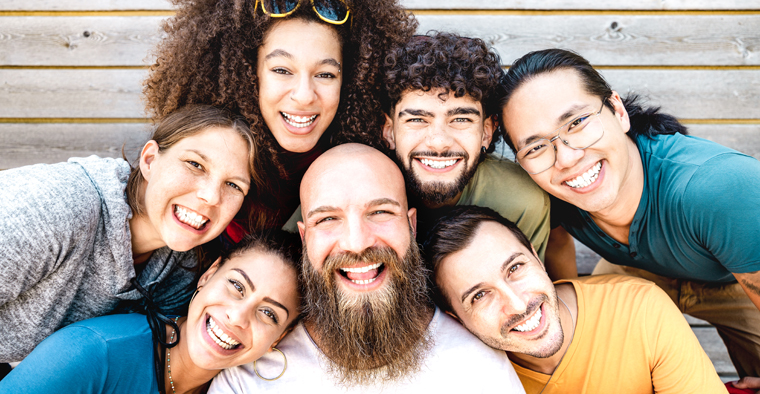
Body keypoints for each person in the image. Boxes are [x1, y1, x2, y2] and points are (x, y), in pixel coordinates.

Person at [497, 48, 760, 377]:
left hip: (732, 274)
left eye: (577, 123)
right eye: (535, 147)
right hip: (632, 267)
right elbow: (557, 240)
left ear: (618, 111)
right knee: (594, 357)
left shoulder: (718, 187)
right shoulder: (542, 190)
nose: (565, 159)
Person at [209, 144, 525, 393]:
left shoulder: (479, 369)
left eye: (380, 212)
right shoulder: (245, 381)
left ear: (411, 226)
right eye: (328, 219)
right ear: (306, 239)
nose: (357, 243)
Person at [143, 0, 417, 234]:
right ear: (249, 73)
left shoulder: (356, 166)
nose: (304, 96)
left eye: (325, 74)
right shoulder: (200, 158)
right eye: (282, 70)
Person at [0, 104, 256, 363]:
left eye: (233, 185)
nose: (211, 196)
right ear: (149, 160)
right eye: (195, 164)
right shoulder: (60, 206)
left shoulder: (179, 270)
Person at [424, 205, 726, 393]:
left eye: (515, 268)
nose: (517, 304)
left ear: (535, 256)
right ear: (455, 318)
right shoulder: (467, 379)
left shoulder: (639, 308)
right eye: (479, 296)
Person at [0, 231, 301, 394]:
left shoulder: (239, 388)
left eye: (269, 314)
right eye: (236, 285)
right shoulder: (92, 353)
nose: (237, 316)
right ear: (209, 275)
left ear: (280, 337)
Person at [381, 32, 551, 257]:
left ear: (486, 132)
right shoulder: (363, 189)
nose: (439, 142)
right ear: (389, 131)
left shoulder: (519, 201)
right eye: (417, 120)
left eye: (461, 119)